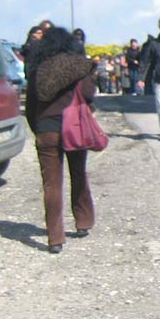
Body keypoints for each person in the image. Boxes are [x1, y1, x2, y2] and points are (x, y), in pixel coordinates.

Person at [24, 27, 97, 254]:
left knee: (51, 184)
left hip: (47, 129)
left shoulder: (38, 70)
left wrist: (38, 130)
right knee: (78, 174)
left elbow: (30, 107)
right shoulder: (78, 65)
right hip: (73, 127)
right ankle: (83, 222)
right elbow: (90, 94)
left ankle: (55, 238)